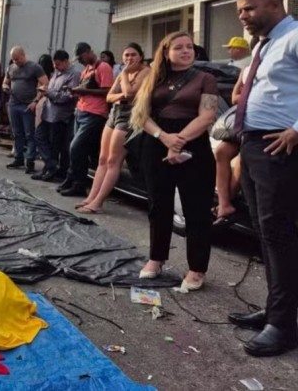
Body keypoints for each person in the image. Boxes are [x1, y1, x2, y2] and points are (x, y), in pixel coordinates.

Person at [227, 0, 298, 357]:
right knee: (264, 231)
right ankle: (276, 310)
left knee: (278, 233)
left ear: (274, 3)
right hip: (253, 144)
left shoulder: (295, 37)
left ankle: (283, 327)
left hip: (279, 147)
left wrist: (296, 130)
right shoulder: (263, 45)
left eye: (249, 9)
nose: (243, 16)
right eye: (240, 11)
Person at [131, 31, 217, 292]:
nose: (185, 51)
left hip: (194, 143)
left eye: (189, 47)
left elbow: (208, 114)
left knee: (197, 209)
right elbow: (141, 115)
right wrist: (163, 137)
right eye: (178, 47)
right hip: (156, 141)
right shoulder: (153, 77)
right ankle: (156, 258)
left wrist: (178, 140)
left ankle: (197, 268)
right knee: (159, 204)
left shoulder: (205, 78)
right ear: (166, 52)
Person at [77, 43, 150, 214]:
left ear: (140, 56)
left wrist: (124, 75)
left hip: (130, 117)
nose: (129, 58)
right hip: (115, 114)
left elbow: (131, 93)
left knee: (113, 161)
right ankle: (91, 198)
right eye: (126, 55)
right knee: (102, 158)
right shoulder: (124, 73)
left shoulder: (145, 72)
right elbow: (110, 96)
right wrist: (122, 95)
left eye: (133, 55)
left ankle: (98, 202)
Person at [58, 42, 114, 196]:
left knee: (76, 148)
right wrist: (74, 91)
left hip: (95, 114)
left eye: (81, 56)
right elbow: (85, 90)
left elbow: (107, 91)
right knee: (76, 150)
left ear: (89, 52)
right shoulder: (87, 69)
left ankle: (79, 184)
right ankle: (72, 179)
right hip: (81, 111)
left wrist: (83, 90)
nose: (80, 60)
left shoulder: (103, 67)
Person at [33, 50, 79, 182]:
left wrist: (50, 92)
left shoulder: (73, 75)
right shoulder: (56, 73)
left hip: (60, 116)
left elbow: (67, 97)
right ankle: (50, 166)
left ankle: (51, 170)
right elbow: (52, 89)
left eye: (58, 64)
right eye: (55, 64)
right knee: (39, 136)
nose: (56, 67)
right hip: (48, 113)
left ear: (66, 61)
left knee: (55, 145)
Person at [3, 47, 49, 173]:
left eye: (17, 59)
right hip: (13, 104)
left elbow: (45, 83)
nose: (15, 61)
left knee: (29, 134)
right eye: (13, 59)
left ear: (23, 55)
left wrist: (36, 100)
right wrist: (6, 86)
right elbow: (5, 82)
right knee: (17, 133)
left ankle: (30, 161)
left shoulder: (34, 67)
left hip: (27, 105)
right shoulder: (11, 68)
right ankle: (18, 158)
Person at [212, 65, 248, 227]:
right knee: (221, 151)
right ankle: (224, 202)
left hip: (267, 122)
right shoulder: (247, 68)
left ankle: (226, 204)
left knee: (244, 156)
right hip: (245, 121)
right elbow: (235, 98)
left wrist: (247, 96)